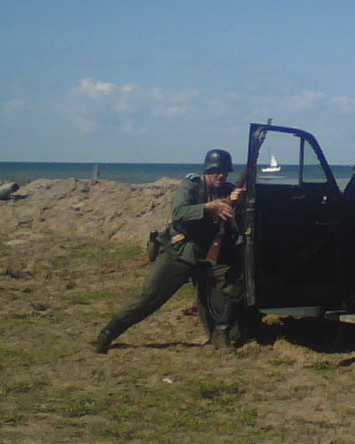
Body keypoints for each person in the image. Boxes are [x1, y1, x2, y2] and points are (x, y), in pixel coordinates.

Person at [93, 148, 246, 353]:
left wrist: (237, 203)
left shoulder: (228, 190)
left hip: (211, 254)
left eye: (224, 172)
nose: (220, 176)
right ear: (207, 170)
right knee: (149, 297)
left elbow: (232, 222)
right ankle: (108, 334)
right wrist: (211, 207)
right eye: (215, 171)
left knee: (237, 284)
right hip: (182, 251)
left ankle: (221, 331)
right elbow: (179, 213)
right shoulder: (191, 185)